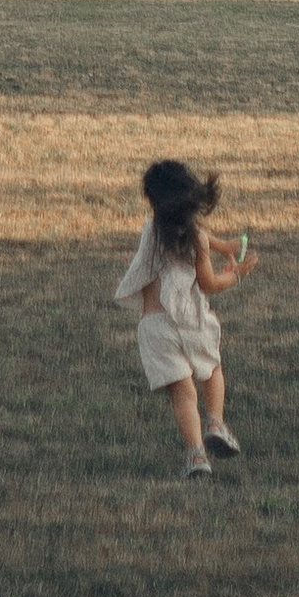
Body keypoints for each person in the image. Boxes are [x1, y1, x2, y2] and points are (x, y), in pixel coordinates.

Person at [114, 157, 249, 478]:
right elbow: (208, 284)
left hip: (155, 326)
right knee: (212, 369)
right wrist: (235, 275)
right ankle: (215, 422)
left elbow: (196, 234)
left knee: (182, 392)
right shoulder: (197, 239)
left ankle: (196, 456)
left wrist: (222, 244)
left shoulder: (152, 230)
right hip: (190, 321)